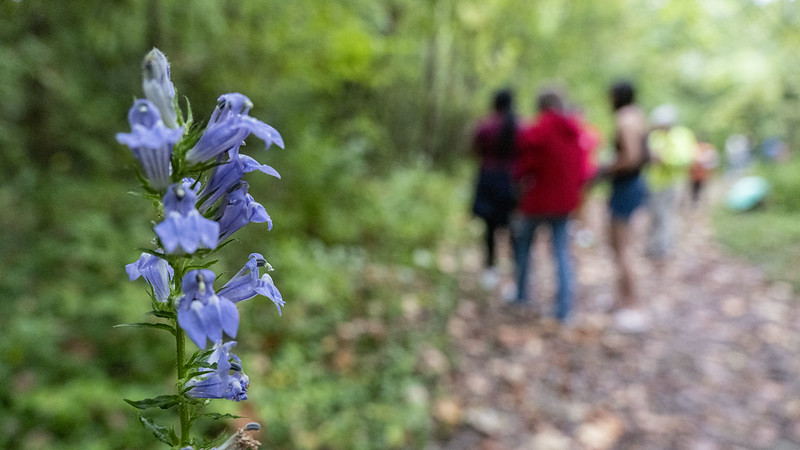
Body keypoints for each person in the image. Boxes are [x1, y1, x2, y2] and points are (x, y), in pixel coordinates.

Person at [510, 87, 587, 323]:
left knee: (524, 249)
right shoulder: (573, 131)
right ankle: (564, 309)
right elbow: (582, 168)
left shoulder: (536, 130)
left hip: (536, 201)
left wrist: (519, 184)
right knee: (561, 252)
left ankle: (521, 296)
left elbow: (523, 167)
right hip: (564, 203)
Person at [598, 80, 649, 332]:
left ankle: (634, 307)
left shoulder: (625, 119)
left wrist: (606, 167)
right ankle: (622, 300)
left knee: (623, 247)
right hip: (631, 185)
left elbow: (631, 157)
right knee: (618, 245)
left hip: (626, 186)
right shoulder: (637, 115)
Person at [471, 89, 518, 288]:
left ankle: (490, 269)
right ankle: (516, 274)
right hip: (512, 180)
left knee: (490, 226)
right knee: (512, 226)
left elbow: (473, 149)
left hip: (488, 179)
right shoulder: (519, 126)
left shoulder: (485, 125)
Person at [645, 104, 696, 261]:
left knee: (666, 216)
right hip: (653, 184)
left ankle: (664, 249)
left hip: (671, 183)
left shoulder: (681, 136)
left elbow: (686, 159)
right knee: (654, 217)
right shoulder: (655, 136)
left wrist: (664, 159)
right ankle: (654, 247)